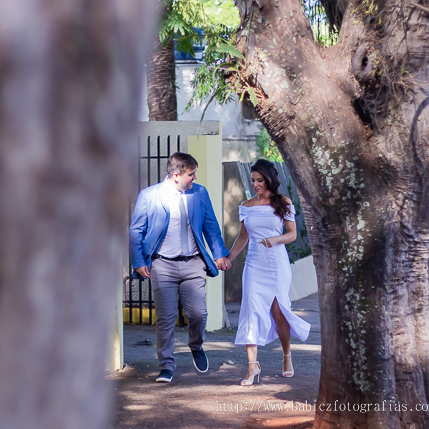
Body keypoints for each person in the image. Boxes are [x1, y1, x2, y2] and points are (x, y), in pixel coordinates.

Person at [129, 152, 230, 383]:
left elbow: (210, 224)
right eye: (190, 174)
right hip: (162, 263)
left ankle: (196, 345)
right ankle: (166, 365)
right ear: (176, 175)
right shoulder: (150, 196)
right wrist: (139, 262)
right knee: (166, 317)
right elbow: (136, 230)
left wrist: (219, 254)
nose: (194, 178)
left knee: (198, 313)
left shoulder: (199, 193)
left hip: (193, 262)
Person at [221, 159, 310, 386]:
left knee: (278, 311)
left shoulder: (283, 202)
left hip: (277, 263)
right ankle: (252, 368)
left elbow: (292, 234)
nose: (255, 184)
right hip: (253, 264)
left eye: (259, 180)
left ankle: (286, 355)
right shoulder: (246, 205)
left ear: (269, 179)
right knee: (251, 310)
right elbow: (243, 237)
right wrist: (229, 258)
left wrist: (275, 239)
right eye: (252, 180)